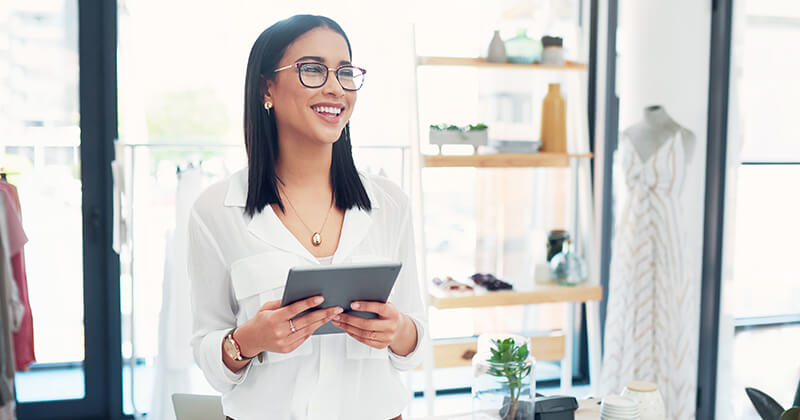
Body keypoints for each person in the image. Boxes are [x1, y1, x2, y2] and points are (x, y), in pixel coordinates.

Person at [187, 14, 427, 420]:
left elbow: (413, 343)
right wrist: (247, 341)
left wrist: (398, 330)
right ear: (267, 88)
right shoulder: (215, 211)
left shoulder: (390, 203)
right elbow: (208, 356)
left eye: (345, 72)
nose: (335, 87)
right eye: (313, 69)